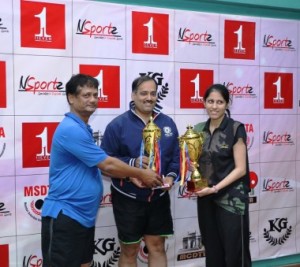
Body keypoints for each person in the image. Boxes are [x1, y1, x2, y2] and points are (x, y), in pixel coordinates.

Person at [41, 74, 163, 267]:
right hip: (65, 216)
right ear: (71, 98)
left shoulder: (83, 129)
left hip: (82, 218)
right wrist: (139, 173)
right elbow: (107, 164)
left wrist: (130, 178)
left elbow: (101, 167)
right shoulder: (71, 129)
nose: (92, 100)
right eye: (86, 95)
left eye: (95, 95)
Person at [100, 75, 180, 267]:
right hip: (128, 198)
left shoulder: (168, 123)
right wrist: (133, 165)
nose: (149, 98)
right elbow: (104, 162)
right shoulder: (117, 125)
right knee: (130, 249)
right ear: (133, 95)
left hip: (158, 197)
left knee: (157, 246)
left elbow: (176, 159)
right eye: (143, 93)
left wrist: (170, 177)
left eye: (153, 93)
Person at [193, 83, 251, 267]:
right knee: (212, 249)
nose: (214, 106)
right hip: (206, 198)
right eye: (210, 101)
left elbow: (240, 169)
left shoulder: (235, 128)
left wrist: (216, 188)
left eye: (219, 102)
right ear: (204, 103)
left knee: (235, 253)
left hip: (231, 199)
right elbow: (195, 164)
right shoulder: (198, 129)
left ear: (227, 104)